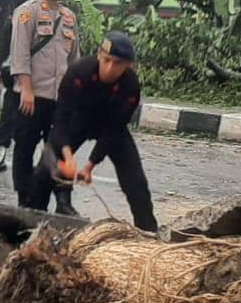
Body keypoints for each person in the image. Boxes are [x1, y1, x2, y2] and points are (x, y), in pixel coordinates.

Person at [28, 31, 158, 232]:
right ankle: (33, 225)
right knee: (44, 170)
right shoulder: (79, 72)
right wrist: (67, 155)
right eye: (106, 60)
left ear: (128, 65)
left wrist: (90, 165)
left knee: (135, 181)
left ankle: (148, 232)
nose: (109, 68)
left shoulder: (130, 85)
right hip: (77, 121)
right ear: (99, 54)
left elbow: (114, 129)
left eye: (117, 64)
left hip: (110, 125)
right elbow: (61, 117)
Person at [9, 0, 79, 211]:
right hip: (32, 96)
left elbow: (74, 60)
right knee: (25, 148)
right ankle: (24, 198)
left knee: (59, 149)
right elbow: (20, 55)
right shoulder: (27, 12)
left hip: (59, 99)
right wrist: (26, 89)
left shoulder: (68, 17)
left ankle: (62, 199)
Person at [0, 0, 35, 173]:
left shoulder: (60, 16)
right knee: (8, 118)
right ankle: (0, 156)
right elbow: (6, 45)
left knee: (37, 125)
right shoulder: (21, 15)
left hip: (43, 80)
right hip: (16, 77)